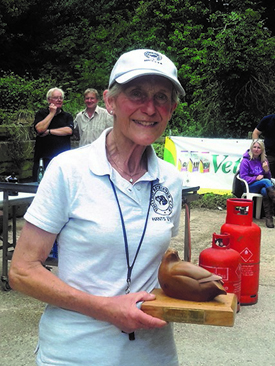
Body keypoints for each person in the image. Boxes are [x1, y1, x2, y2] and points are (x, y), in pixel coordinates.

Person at [9, 49, 186, 365]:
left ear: (171, 109)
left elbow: (152, 264)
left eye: (161, 97)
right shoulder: (69, 169)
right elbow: (22, 271)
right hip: (76, 354)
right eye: (136, 94)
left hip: (153, 355)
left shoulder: (170, 179)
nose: (150, 108)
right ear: (110, 101)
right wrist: (107, 308)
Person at [32, 87, 74, 181]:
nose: (59, 100)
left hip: (62, 160)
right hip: (43, 159)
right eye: (56, 97)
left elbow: (69, 130)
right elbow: (40, 129)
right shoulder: (41, 114)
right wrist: (51, 114)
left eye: (61, 98)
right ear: (49, 100)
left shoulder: (67, 116)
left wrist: (49, 131)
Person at [239, 139, 275, 228]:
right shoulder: (245, 161)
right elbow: (243, 177)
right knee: (266, 182)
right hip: (250, 186)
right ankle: (270, 216)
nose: (256, 149)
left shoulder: (264, 160)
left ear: (262, 150)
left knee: (264, 190)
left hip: (262, 186)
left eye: (259, 148)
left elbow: (268, 178)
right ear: (251, 148)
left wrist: (266, 170)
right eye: (254, 147)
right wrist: (255, 178)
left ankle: (269, 218)